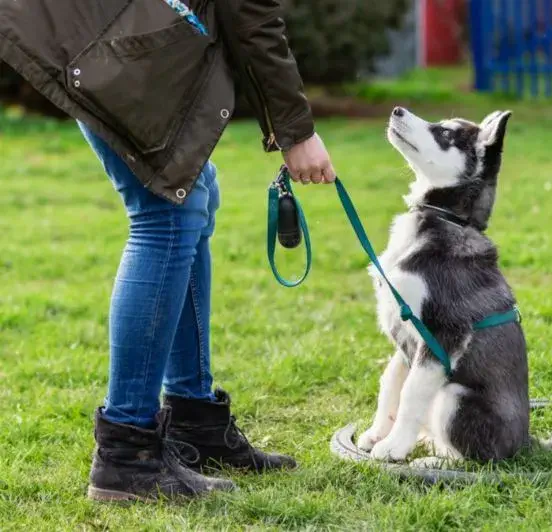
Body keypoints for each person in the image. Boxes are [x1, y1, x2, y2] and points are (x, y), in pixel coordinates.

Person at [0, 0, 334, 501]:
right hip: (102, 37)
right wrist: (296, 132)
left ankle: (195, 421)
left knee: (194, 194)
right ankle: (126, 454)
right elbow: (252, 18)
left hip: (105, 32)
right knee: (166, 217)